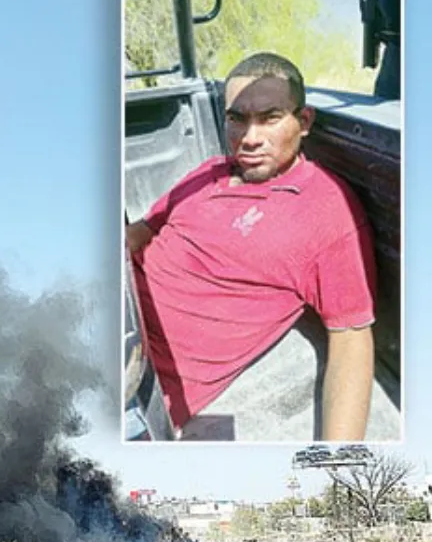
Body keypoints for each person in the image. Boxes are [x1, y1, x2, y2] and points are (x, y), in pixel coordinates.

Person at [126, 52, 377, 441]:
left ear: (304, 121)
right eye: (237, 118)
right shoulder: (208, 171)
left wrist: (336, 462)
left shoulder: (329, 211)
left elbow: (351, 340)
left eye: (270, 118)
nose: (249, 138)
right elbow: (144, 228)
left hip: (140, 375)